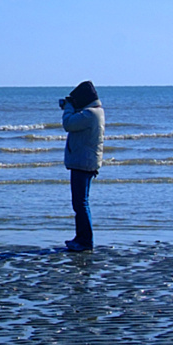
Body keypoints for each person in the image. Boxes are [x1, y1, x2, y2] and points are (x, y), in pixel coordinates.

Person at [60, 81, 104, 251]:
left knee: (81, 203)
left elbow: (68, 124)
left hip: (83, 163)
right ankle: (81, 238)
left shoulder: (90, 114)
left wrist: (68, 107)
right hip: (84, 161)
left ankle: (85, 241)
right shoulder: (93, 113)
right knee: (80, 203)